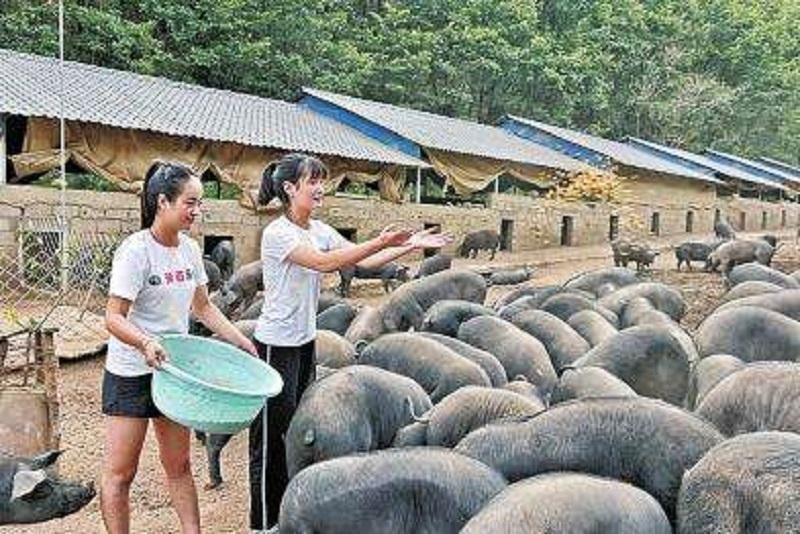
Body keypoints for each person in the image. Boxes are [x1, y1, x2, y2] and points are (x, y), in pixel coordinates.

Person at [249, 153, 452, 531]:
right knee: (269, 441)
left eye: (321, 180)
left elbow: (362, 264)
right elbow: (326, 264)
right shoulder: (278, 234)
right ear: (291, 188)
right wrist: (379, 239)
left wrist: (411, 245)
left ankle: (292, 517)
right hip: (274, 346)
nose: (321, 188)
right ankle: (262, 523)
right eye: (313, 181)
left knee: (296, 430)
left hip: (303, 343)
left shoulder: (318, 229)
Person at [101, 161, 258, 534]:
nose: (196, 211)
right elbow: (113, 318)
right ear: (162, 202)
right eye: (190, 203)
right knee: (121, 473)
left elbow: (202, 307)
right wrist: (145, 341)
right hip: (131, 371)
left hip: (174, 372)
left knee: (181, 466)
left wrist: (240, 339)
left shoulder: (189, 251)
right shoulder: (135, 252)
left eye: (199, 203)